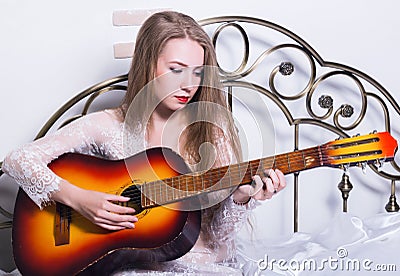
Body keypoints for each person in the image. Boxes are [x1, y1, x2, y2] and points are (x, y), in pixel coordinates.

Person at [2, 11, 285, 275]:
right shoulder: (108, 126)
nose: (189, 84)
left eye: (198, 72)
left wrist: (242, 198)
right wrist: (80, 199)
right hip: (139, 265)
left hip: (205, 264)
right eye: (176, 69)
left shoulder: (212, 129)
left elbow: (218, 235)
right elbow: (17, 159)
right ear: (148, 65)